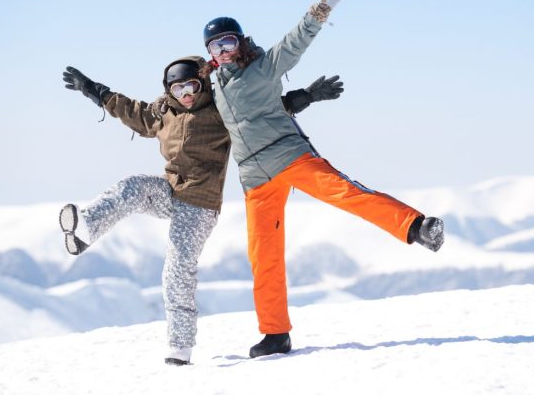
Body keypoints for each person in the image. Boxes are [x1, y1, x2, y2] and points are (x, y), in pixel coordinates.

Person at [200, 0, 445, 359]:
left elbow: (293, 43)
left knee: (347, 193)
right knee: (263, 256)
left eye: (229, 42)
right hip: (254, 179)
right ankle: (275, 334)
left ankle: (417, 226)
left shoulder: (262, 67)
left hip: (290, 157)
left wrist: (320, 10)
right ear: (210, 54)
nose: (224, 51)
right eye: (217, 47)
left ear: (241, 42)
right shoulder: (213, 89)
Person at [59, 58, 343, 366]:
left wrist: (308, 97)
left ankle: (179, 348)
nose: (186, 94)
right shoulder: (163, 111)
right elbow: (130, 110)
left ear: (202, 83)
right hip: (170, 191)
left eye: (192, 86)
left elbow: (260, 112)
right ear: (168, 89)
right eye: (178, 88)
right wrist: (91, 89)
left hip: (200, 204)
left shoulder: (221, 109)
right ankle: (87, 226)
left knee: (177, 267)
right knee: (132, 187)